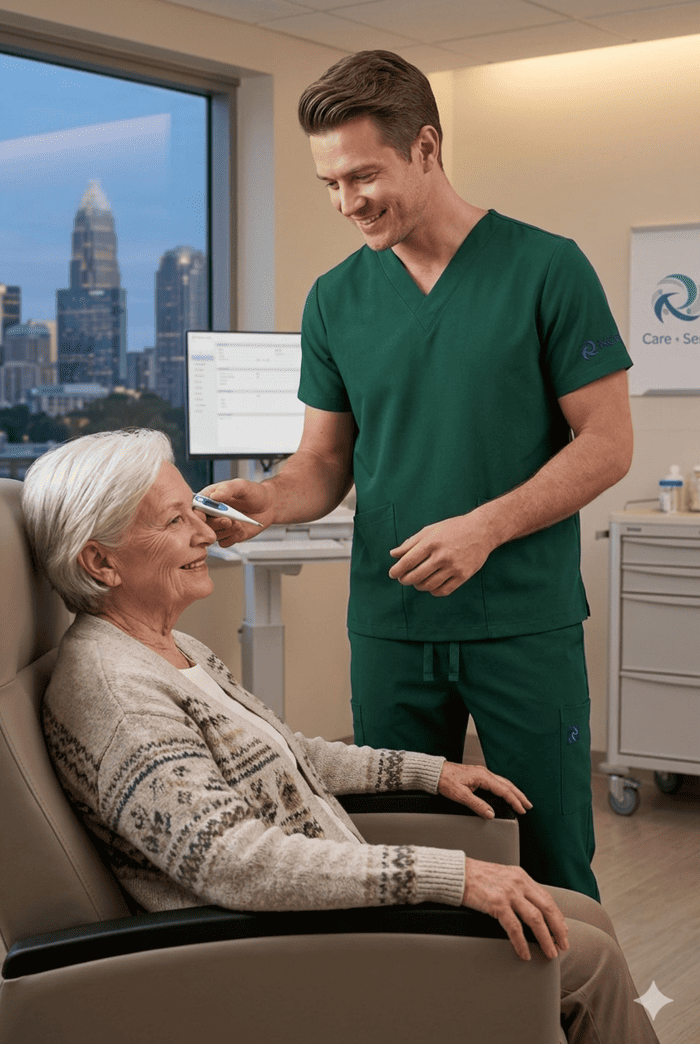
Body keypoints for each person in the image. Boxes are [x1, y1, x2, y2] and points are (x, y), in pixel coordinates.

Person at [22, 429, 658, 1044]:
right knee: (588, 959)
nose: (204, 531)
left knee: (580, 914)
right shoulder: (117, 695)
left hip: (322, 914)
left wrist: (428, 772)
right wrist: (452, 877)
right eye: (171, 522)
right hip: (277, 952)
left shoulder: (170, 647)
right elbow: (235, 863)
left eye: (195, 509)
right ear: (100, 562)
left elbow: (288, 754)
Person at [202, 50, 635, 903]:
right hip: (392, 624)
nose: (347, 202)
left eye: (364, 175)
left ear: (426, 148)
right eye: (330, 184)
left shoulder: (547, 269)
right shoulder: (335, 299)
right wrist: (269, 500)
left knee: (550, 854)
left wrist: (485, 527)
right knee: (404, 859)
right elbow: (323, 464)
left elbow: (607, 443)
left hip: (522, 622)